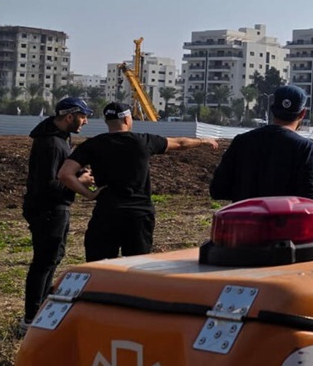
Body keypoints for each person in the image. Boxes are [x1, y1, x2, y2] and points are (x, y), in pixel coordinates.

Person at [59, 102, 218, 262]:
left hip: (107, 214)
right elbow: (180, 143)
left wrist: (89, 194)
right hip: (139, 216)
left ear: (107, 121)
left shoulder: (92, 145)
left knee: (99, 267)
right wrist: (203, 141)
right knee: (137, 267)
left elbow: (65, 174)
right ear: (127, 120)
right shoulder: (143, 141)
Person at [19, 97, 94, 335]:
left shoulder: (59, 138)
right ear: (69, 116)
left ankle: (40, 308)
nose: (86, 121)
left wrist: (78, 173)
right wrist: (78, 181)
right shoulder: (50, 144)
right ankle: (31, 318)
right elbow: (47, 184)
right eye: (83, 116)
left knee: (52, 258)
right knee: (44, 261)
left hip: (54, 208)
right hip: (48, 209)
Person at [210, 85, 313, 202]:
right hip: (285, 219)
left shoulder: (241, 141)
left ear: (272, 109)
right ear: (303, 113)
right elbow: (310, 200)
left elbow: (217, 190)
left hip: (245, 217)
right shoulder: (306, 148)